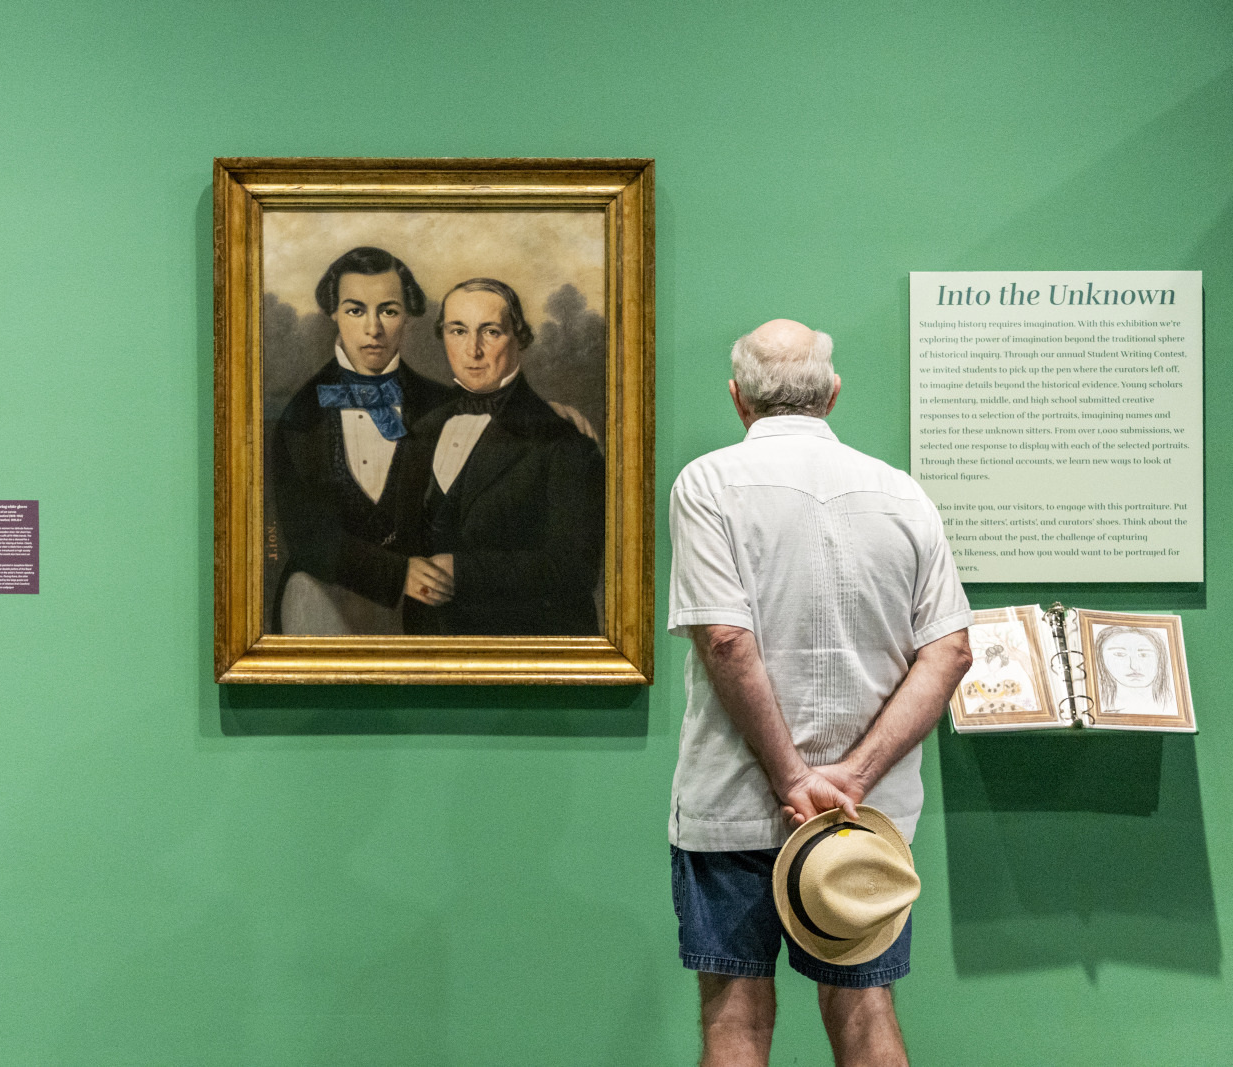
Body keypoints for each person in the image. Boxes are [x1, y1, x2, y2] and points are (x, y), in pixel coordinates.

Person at [666, 319, 973, 1067]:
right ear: (832, 395)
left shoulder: (707, 483)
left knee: (735, 1021)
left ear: (739, 400)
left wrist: (792, 780)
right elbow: (952, 649)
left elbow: (728, 642)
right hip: (864, 822)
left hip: (733, 808)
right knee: (866, 1016)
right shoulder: (903, 495)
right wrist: (851, 779)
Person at [268, 246, 455, 634]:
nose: (374, 329)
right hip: (324, 601)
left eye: (388, 310)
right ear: (334, 312)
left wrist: (552, 415)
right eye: (356, 310)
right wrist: (395, 572)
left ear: (408, 316)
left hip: (422, 610)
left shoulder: (444, 407)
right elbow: (307, 537)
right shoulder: (299, 415)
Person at [401, 278, 603, 635]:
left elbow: (574, 568)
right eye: (458, 331)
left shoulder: (564, 441)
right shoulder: (422, 429)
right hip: (429, 653)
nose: (472, 350)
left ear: (519, 339)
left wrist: (462, 571)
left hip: (527, 650)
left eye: (490, 332)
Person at [1093, 625, 1173, 715]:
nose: (1134, 666)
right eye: (1119, 654)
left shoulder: (1168, 707)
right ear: (1101, 659)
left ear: (1160, 659)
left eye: (1144, 655)